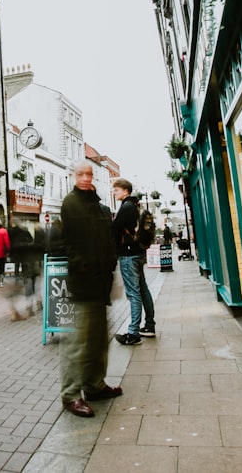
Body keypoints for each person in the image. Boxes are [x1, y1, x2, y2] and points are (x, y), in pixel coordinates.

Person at [56, 162, 122, 418]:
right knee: (76, 343)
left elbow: (107, 241)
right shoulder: (70, 203)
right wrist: (81, 266)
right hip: (82, 284)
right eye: (80, 174)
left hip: (100, 283)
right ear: (73, 176)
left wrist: (110, 263)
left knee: (97, 341)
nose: (85, 178)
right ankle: (71, 395)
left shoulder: (98, 206)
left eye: (89, 174)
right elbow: (66, 242)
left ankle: (95, 385)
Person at [111, 178, 154, 344]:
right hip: (139, 253)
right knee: (143, 290)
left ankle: (133, 333)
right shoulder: (137, 206)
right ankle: (149, 326)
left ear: (125, 191)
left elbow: (114, 230)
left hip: (128, 255)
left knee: (133, 293)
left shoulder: (126, 207)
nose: (114, 193)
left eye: (116, 190)